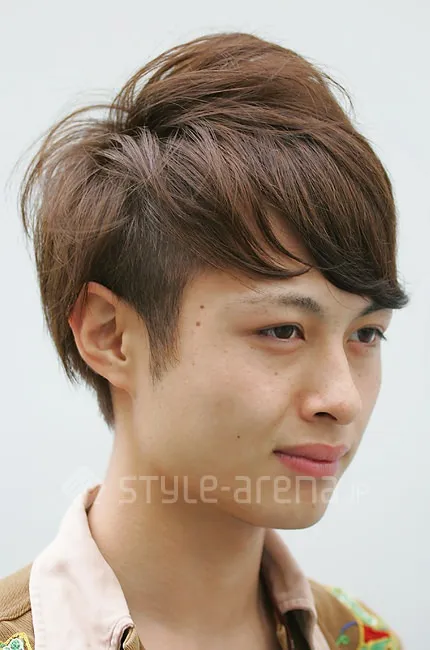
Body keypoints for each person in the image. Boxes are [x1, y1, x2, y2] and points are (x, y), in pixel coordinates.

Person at [0, 31, 408, 650]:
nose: (342, 399)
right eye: (282, 330)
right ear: (111, 336)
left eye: (366, 334)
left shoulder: (365, 639)